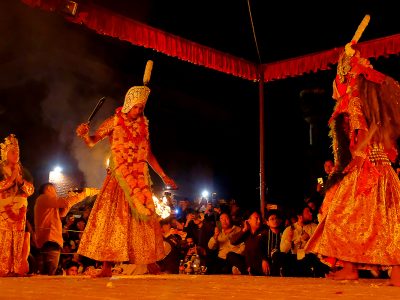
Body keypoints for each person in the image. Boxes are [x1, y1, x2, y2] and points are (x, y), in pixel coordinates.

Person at [305, 15, 400, 286]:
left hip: (365, 168)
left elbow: (359, 137)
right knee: (388, 218)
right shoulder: (364, 98)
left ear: (346, 76)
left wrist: (349, 165)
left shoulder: (354, 102)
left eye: (340, 75)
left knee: (338, 212)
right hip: (381, 168)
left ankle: (352, 267)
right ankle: (390, 271)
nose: (337, 81)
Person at [76, 60, 178, 277]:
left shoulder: (144, 126)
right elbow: (93, 141)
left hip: (140, 177)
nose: (139, 111)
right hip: (118, 178)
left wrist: (163, 175)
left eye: (142, 108)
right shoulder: (114, 122)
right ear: (128, 104)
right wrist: (85, 134)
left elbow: (148, 153)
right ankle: (106, 267)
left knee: (145, 219)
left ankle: (151, 263)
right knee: (113, 220)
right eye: (136, 107)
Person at [34, 182, 93, 275]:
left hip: (52, 240)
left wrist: (71, 198)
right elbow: (65, 202)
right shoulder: (43, 198)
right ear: (49, 189)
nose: (56, 192)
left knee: (48, 272)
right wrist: (84, 194)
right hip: (49, 240)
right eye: (54, 190)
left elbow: (63, 211)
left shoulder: (49, 204)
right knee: (48, 274)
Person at [0, 134, 34, 277]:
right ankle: (3, 268)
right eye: (13, 152)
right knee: (4, 238)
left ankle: (17, 268)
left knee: (19, 238)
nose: (16, 154)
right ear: (5, 153)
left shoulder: (24, 172)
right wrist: (11, 180)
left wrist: (20, 181)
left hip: (20, 212)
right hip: (3, 213)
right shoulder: (0, 170)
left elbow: (30, 190)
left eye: (18, 152)